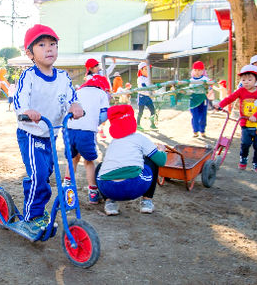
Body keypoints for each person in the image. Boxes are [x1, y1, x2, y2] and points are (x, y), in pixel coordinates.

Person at [14, 24, 83, 235]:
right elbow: (20, 98)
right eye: (42, 45)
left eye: (53, 44)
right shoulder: (29, 76)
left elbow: (71, 97)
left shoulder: (63, 77)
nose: (49, 49)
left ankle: (38, 210)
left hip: (51, 134)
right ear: (30, 53)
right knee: (38, 175)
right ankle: (31, 216)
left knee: (47, 175)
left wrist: (75, 106)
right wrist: (27, 110)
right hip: (31, 132)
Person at [96, 105, 167, 215]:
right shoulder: (139, 138)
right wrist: (162, 150)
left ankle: (110, 203)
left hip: (108, 188)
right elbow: (161, 161)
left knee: (101, 167)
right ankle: (146, 202)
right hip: (133, 187)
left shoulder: (113, 142)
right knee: (151, 160)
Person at [63, 75, 110, 204]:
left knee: (72, 159)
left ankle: (66, 191)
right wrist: (95, 122)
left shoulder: (77, 91)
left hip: (69, 129)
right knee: (89, 162)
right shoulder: (102, 94)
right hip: (87, 132)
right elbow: (104, 115)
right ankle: (93, 194)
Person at [217, 65, 257, 173]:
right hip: (245, 124)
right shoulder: (241, 91)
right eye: (243, 79)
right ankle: (243, 158)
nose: (246, 82)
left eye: (250, 79)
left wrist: (256, 116)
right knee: (245, 143)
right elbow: (230, 98)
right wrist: (220, 105)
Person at [189, 61, 210, 137]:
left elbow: (209, 87)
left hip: (203, 99)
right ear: (193, 71)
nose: (197, 72)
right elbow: (189, 90)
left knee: (203, 115)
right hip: (194, 99)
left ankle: (202, 130)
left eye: (199, 70)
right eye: (195, 70)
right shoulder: (191, 80)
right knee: (195, 115)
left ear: (203, 71)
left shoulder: (206, 79)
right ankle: (195, 131)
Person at [136, 62, 157, 131]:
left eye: (148, 69)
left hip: (148, 97)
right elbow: (142, 86)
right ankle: (138, 125)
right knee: (140, 112)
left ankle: (152, 124)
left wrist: (153, 90)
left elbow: (150, 86)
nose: (147, 71)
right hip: (142, 96)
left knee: (153, 110)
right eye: (145, 69)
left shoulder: (148, 78)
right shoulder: (140, 78)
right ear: (141, 70)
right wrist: (149, 89)